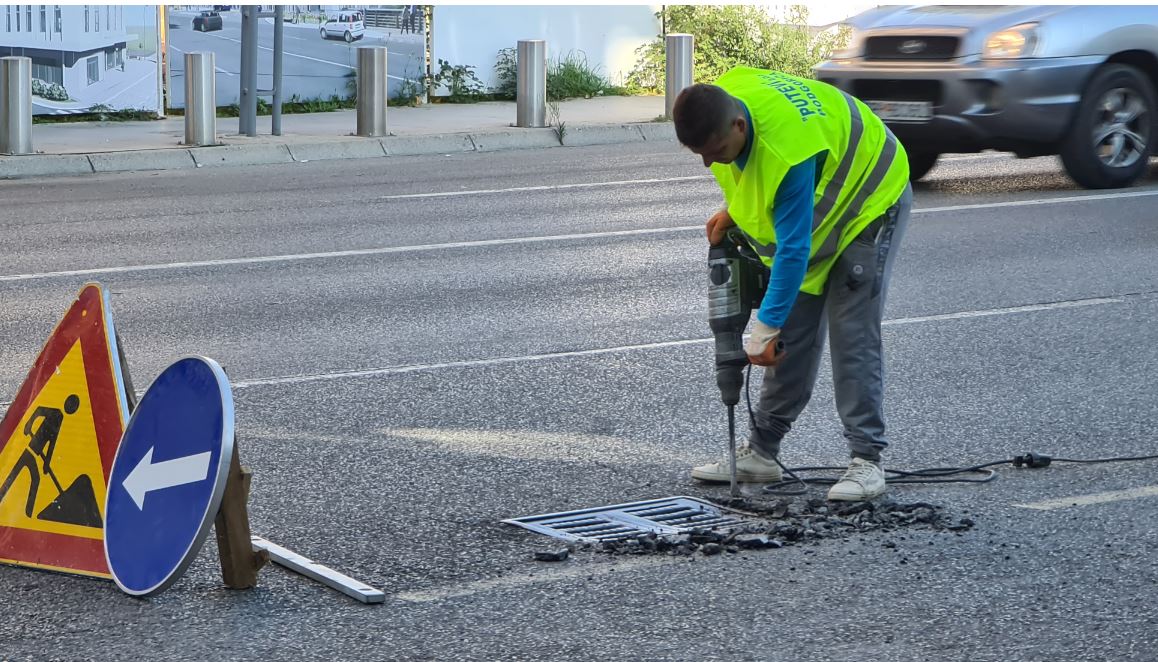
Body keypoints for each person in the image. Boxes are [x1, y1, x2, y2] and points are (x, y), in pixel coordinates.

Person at [672, 68, 913, 501]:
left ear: (738, 126)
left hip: (871, 199)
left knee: (851, 329)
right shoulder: (726, 101)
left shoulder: (787, 153)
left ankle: (867, 461)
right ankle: (763, 452)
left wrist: (763, 328)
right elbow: (757, 184)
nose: (710, 162)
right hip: (826, 200)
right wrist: (734, 209)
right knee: (791, 325)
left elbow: (793, 249)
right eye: (701, 155)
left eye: (716, 151)